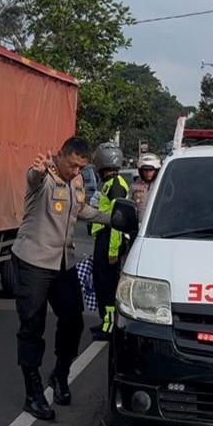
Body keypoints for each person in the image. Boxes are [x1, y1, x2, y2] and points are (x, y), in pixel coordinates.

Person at [11, 136, 110, 421]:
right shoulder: (44, 176)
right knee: (32, 327)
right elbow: (33, 180)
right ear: (61, 155)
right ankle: (33, 392)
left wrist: (109, 217)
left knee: (73, 320)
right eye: (72, 165)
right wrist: (39, 171)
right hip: (33, 262)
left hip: (63, 263)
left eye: (81, 167)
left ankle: (60, 374)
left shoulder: (76, 182)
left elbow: (81, 210)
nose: (76, 171)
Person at [89, 143, 128, 341]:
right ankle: (106, 322)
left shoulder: (115, 186)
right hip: (102, 239)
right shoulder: (107, 183)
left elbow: (116, 221)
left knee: (108, 286)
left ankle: (110, 327)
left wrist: (112, 251)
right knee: (101, 285)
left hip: (109, 241)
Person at [130, 152, 162, 218]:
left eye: (151, 170)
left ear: (156, 170)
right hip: (138, 225)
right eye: (145, 170)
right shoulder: (134, 186)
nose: (148, 173)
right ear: (140, 171)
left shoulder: (162, 185)